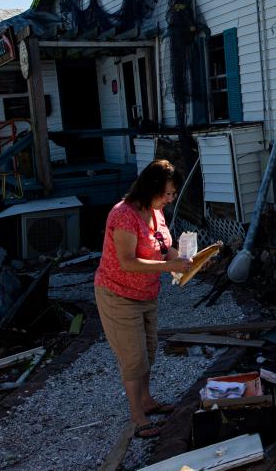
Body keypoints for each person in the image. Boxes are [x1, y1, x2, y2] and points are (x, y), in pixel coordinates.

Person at [93, 159, 192, 439]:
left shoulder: (155, 211)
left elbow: (165, 247)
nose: (170, 199)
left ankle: (147, 401)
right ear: (151, 187)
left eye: (173, 193)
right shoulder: (123, 214)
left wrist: (187, 261)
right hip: (117, 294)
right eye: (167, 193)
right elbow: (126, 261)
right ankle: (137, 417)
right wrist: (168, 267)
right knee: (133, 357)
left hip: (146, 293)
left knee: (148, 351)